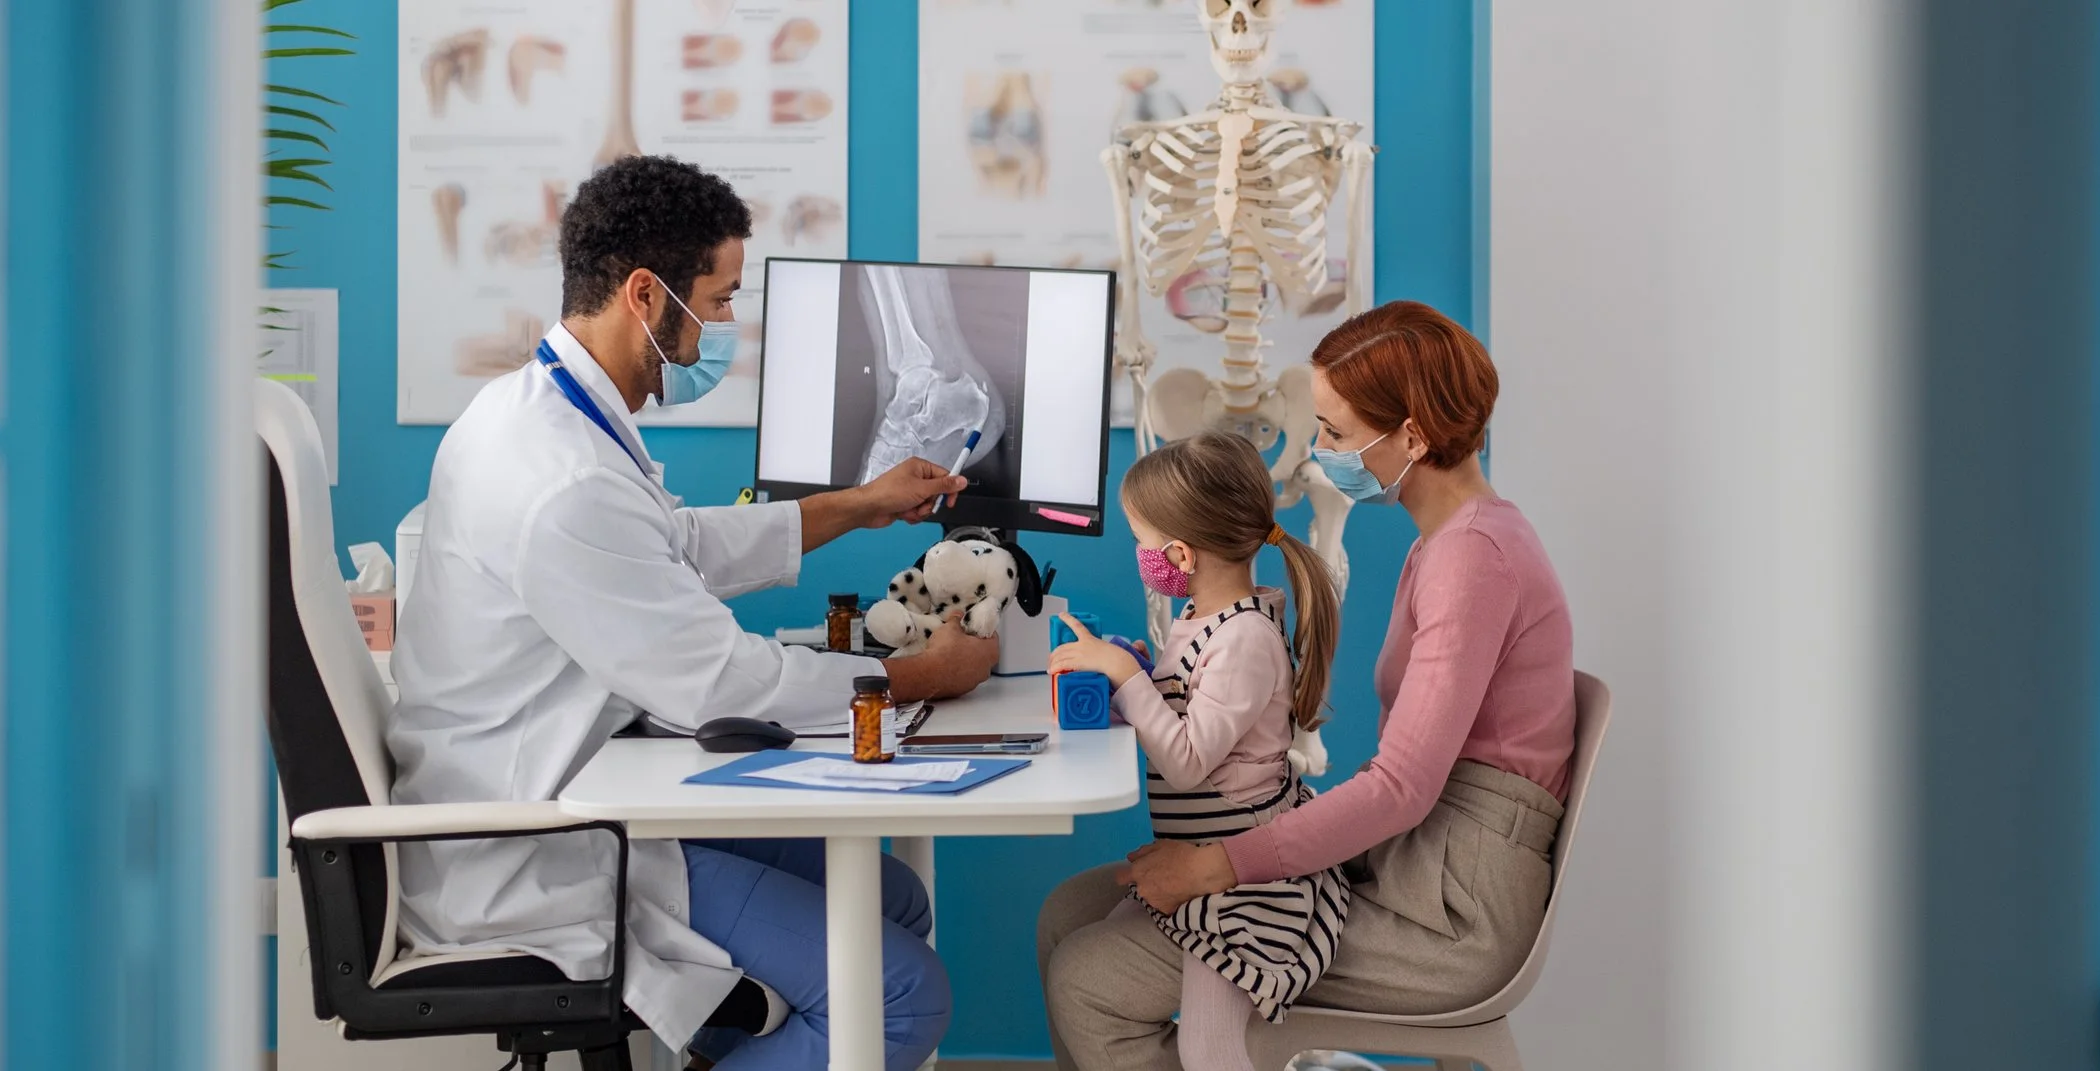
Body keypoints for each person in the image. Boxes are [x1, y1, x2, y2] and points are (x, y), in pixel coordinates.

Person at [389, 155, 997, 1071]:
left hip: (581, 786)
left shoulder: (544, 411)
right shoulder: (559, 478)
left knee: (893, 898)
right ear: (645, 292)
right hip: (536, 841)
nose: (725, 326)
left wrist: (858, 502)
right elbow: (719, 684)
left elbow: (674, 545)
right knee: (900, 995)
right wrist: (925, 678)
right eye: (718, 300)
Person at [1036, 301, 1578, 1069]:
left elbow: (1401, 789)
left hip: (1449, 906)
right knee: (1067, 913)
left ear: (1413, 437)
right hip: (1415, 860)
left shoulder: (1473, 559)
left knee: (1087, 977)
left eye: (1336, 431)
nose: (1319, 453)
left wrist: (1220, 863)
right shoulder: (1454, 542)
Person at [1046, 433, 1348, 1071]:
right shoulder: (1204, 620)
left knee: (1210, 1049)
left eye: (1141, 542)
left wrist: (1129, 683)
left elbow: (1186, 763)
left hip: (1246, 889)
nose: (1139, 555)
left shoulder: (1244, 639)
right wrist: (1133, 669)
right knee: (1076, 930)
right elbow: (1188, 709)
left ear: (1179, 553)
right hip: (1207, 864)